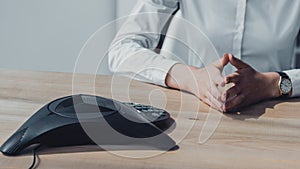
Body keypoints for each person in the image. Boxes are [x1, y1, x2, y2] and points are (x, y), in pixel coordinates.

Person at [108, 0, 300, 112]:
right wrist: (191, 78)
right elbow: (122, 49)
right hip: (196, 114)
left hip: (278, 113)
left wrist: (272, 84)